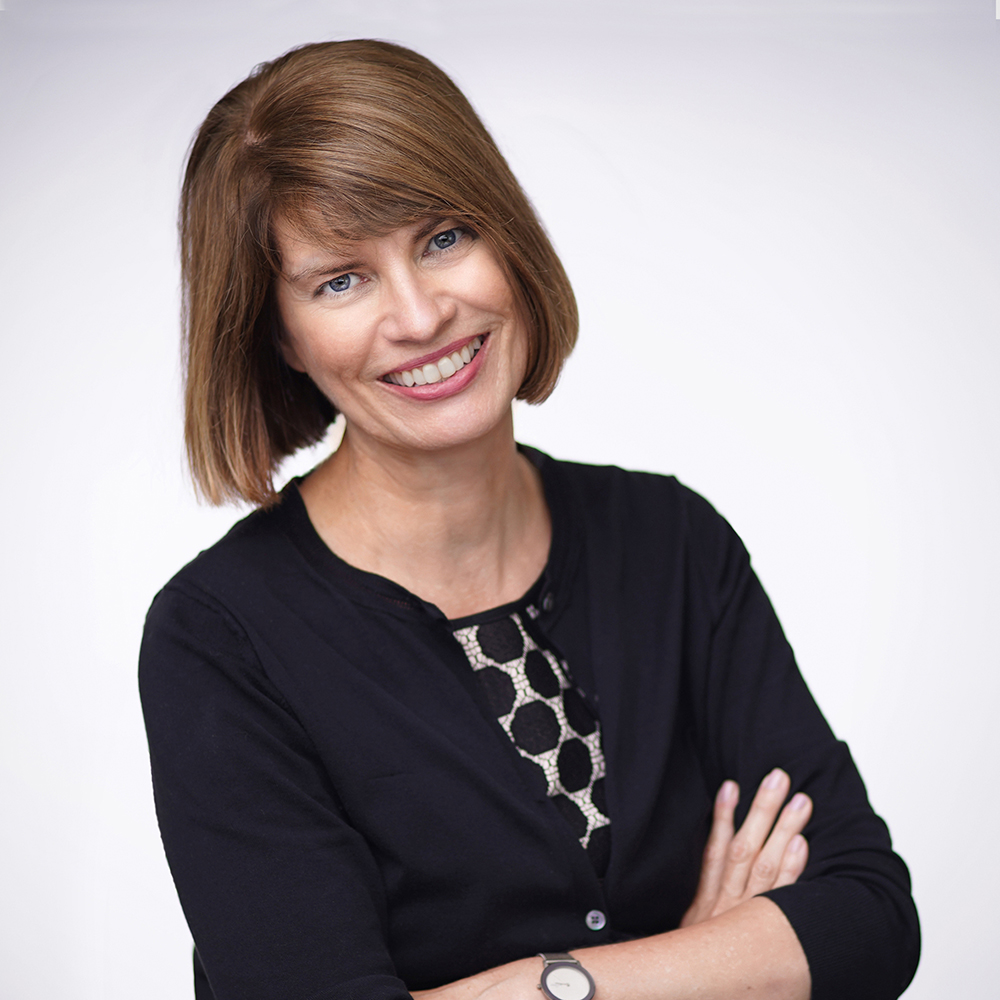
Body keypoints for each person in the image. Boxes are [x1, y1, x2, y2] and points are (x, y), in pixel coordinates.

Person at [138, 39, 919, 1000]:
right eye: (341, 279)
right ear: (279, 335)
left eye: (442, 238)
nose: (420, 316)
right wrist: (708, 963)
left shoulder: (673, 542)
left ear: (508, 237)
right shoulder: (221, 639)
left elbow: (871, 920)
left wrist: (540, 985)